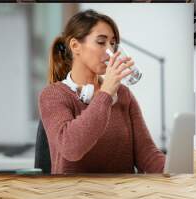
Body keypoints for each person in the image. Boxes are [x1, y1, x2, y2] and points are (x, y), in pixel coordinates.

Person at [39, 9, 165, 174]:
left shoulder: (123, 94)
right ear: (75, 46)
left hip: (119, 194)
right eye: (101, 42)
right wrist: (105, 94)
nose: (110, 51)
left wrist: (173, 169)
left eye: (112, 43)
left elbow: (147, 154)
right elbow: (71, 148)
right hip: (74, 196)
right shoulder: (53, 95)